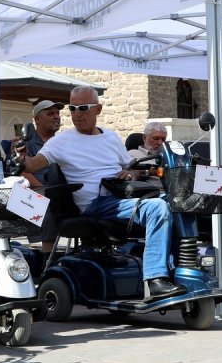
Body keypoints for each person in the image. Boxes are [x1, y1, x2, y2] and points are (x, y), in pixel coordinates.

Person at [20, 85, 184, 299]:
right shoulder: (60, 141)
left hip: (122, 196)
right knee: (157, 208)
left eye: (83, 108)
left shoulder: (111, 137)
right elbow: (32, 165)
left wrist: (129, 175)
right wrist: (20, 155)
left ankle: (175, 270)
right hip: (95, 204)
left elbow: (131, 168)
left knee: (178, 202)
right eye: (73, 108)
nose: (77, 114)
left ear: (98, 109)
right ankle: (155, 280)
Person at [20, 100, 64, 192]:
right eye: (51, 114)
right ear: (37, 120)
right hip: (36, 197)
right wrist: (44, 192)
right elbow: (21, 171)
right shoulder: (26, 143)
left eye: (57, 113)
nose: (56, 117)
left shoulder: (62, 143)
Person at [126, 121, 169, 192]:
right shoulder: (132, 154)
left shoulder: (168, 157)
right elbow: (127, 173)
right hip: (154, 194)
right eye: (156, 138)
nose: (160, 143)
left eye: (163, 140)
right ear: (144, 138)